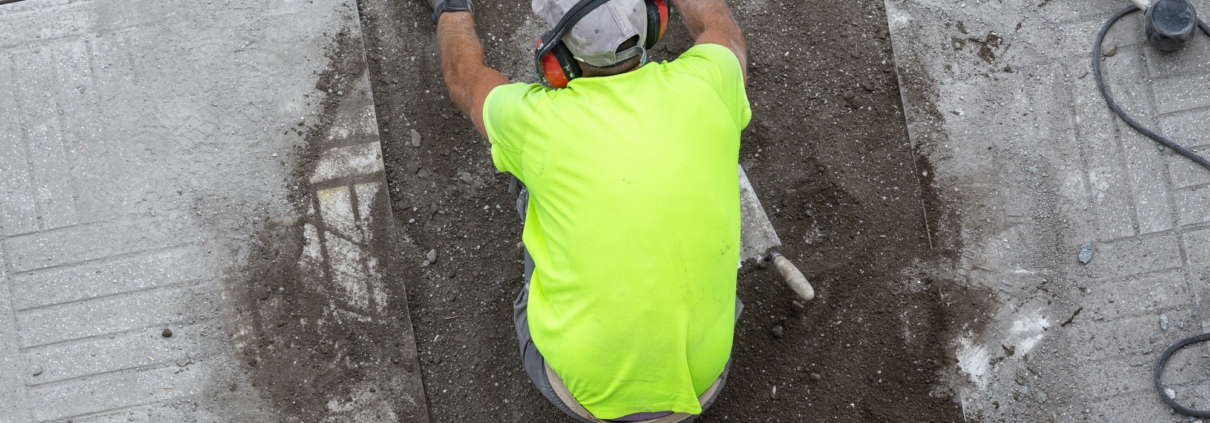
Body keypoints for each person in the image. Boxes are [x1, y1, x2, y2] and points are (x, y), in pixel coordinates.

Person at [425, 0, 750, 420]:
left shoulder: (533, 121)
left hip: (586, 396)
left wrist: (451, 9)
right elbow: (721, 27)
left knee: (526, 171)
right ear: (654, 20)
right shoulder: (715, 78)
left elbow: (464, 79)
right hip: (705, 382)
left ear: (557, 61)